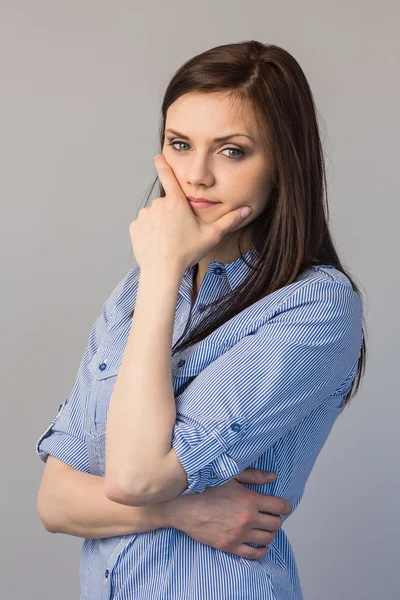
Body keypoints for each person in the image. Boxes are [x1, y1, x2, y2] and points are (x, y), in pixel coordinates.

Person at [36, 40, 366, 600]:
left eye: (232, 151)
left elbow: (135, 477)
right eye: (180, 144)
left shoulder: (315, 306)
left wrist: (163, 269)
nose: (196, 176)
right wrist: (188, 510)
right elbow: (54, 501)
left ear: (283, 161)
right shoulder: (136, 295)